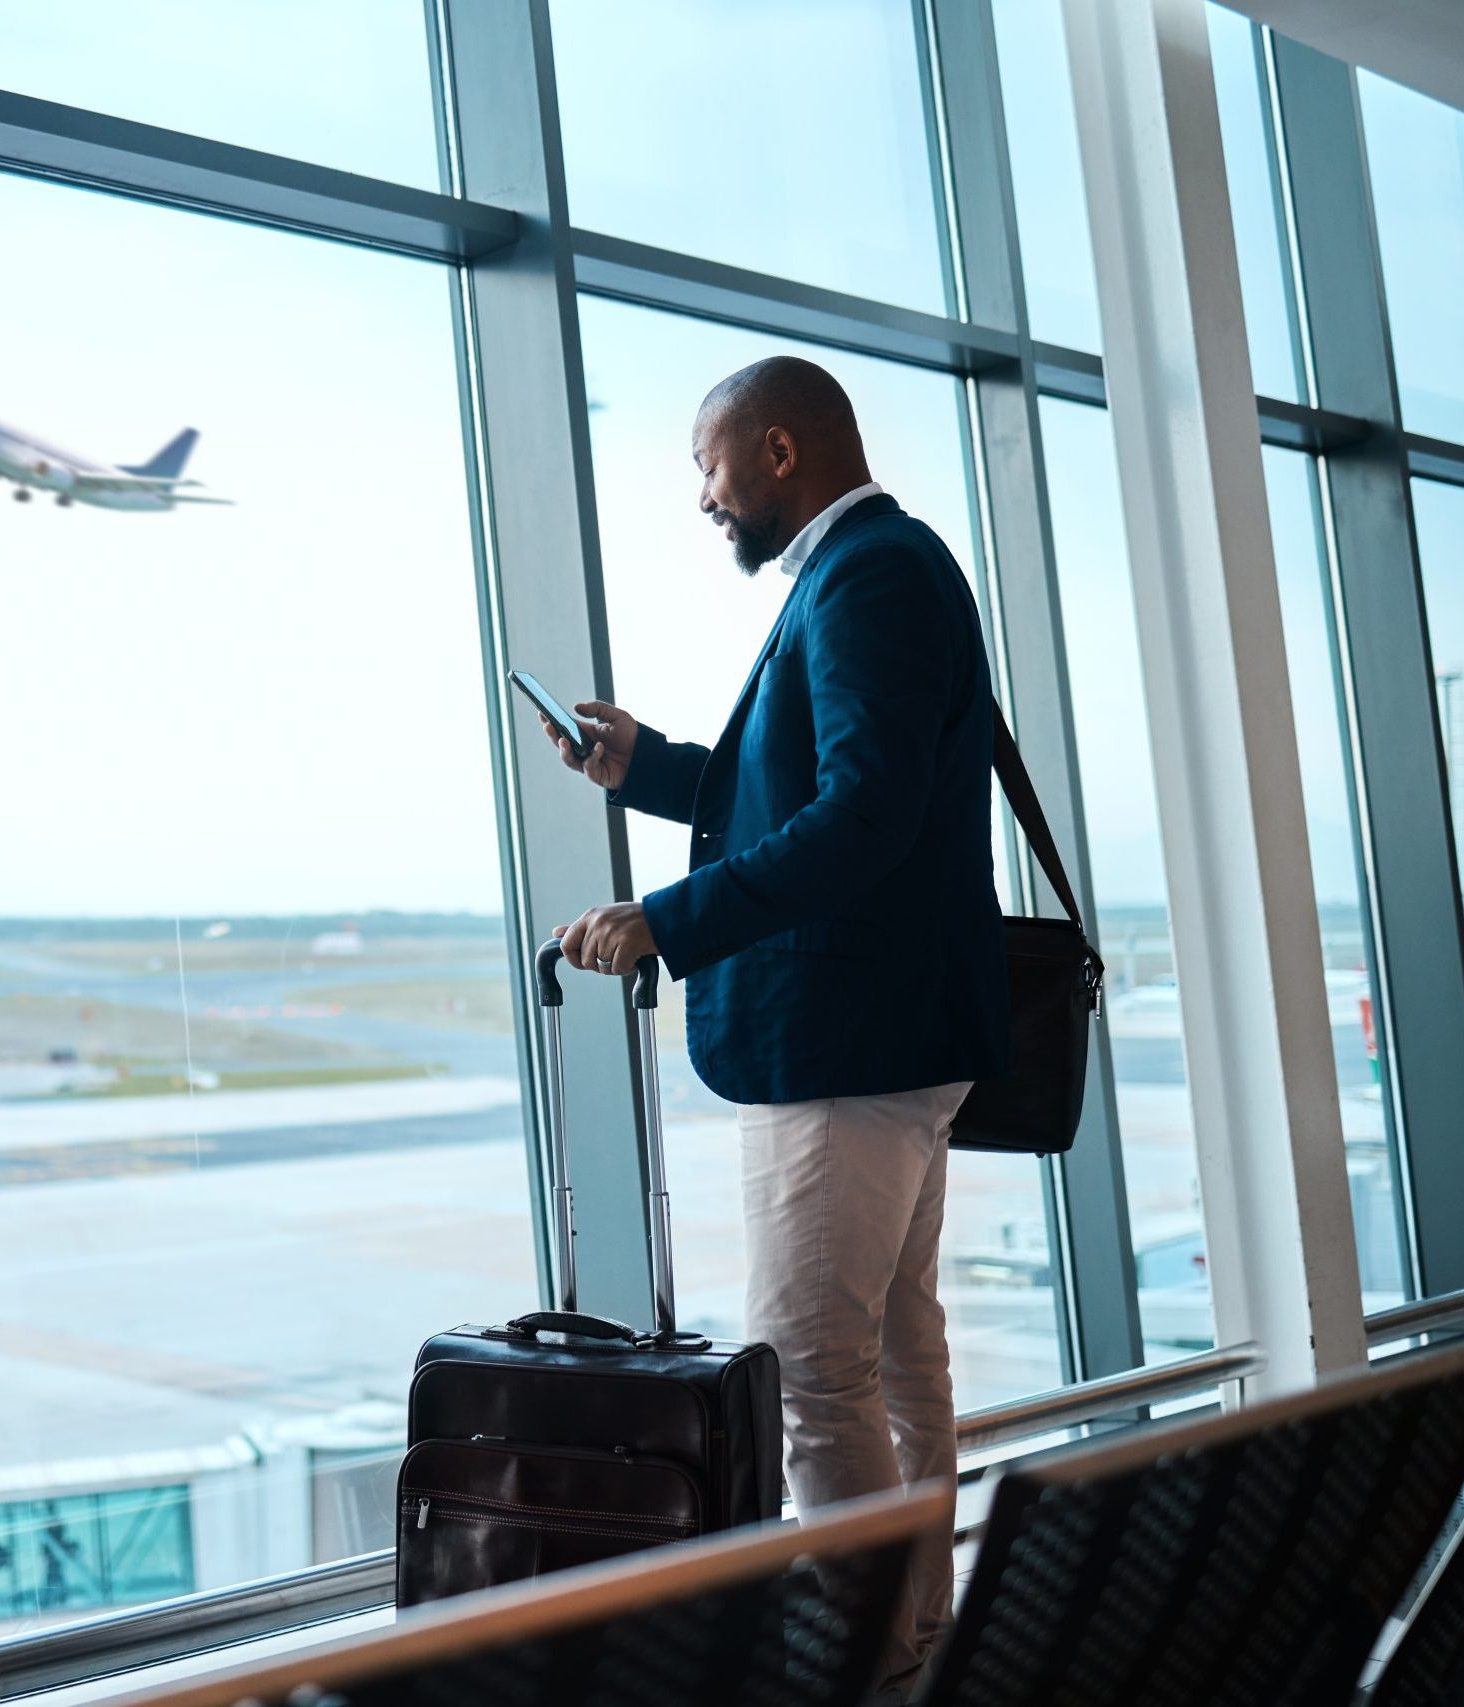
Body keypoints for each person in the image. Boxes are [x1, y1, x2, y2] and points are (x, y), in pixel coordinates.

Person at [545, 356, 1010, 1699]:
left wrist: (668, 920)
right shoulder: (877, 567)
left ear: (784, 453)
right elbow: (802, 788)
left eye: (710, 462)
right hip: (895, 1037)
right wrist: (654, 770)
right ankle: (917, 1638)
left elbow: (863, 818)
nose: (703, 495)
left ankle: (863, 1664)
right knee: (898, 1350)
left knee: (813, 1364)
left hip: (847, 1043)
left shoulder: (866, 575)